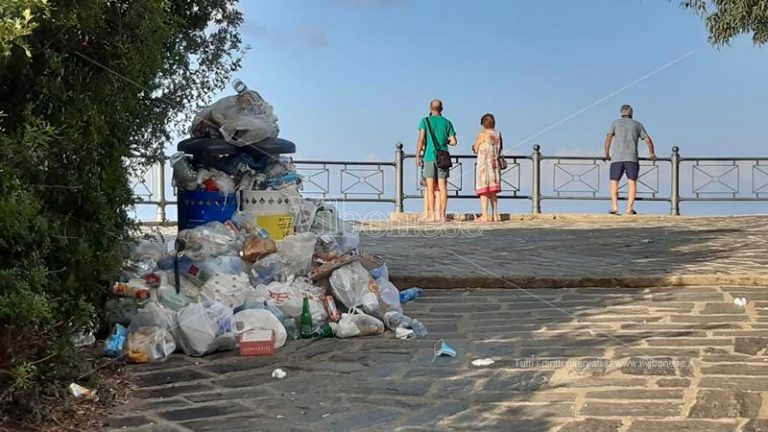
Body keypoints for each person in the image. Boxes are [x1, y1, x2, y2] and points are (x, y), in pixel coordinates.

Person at [604, 104, 656, 215]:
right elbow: (647, 140)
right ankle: (629, 208)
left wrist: (606, 154)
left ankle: (614, 207)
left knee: (614, 182)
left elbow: (608, 138)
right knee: (632, 182)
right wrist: (652, 153)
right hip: (632, 157)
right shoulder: (637, 124)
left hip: (617, 158)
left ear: (621, 113)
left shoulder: (615, 123)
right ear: (631, 113)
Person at [416, 99, 457, 222]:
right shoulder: (447, 123)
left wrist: (418, 156)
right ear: (442, 109)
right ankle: (442, 215)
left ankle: (431, 215)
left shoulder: (425, 121)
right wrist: (445, 141)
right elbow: (454, 141)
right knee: (443, 187)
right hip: (443, 157)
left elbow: (421, 140)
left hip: (429, 156)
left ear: (430, 109)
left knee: (429, 187)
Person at [472, 113, 502, 222]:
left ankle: (485, 215)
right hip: (494, 165)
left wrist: (475, 146)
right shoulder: (497, 134)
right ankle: (495, 214)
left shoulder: (482, 134)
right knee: (493, 191)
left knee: (484, 191)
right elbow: (500, 148)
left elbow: (476, 148)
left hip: (484, 165)